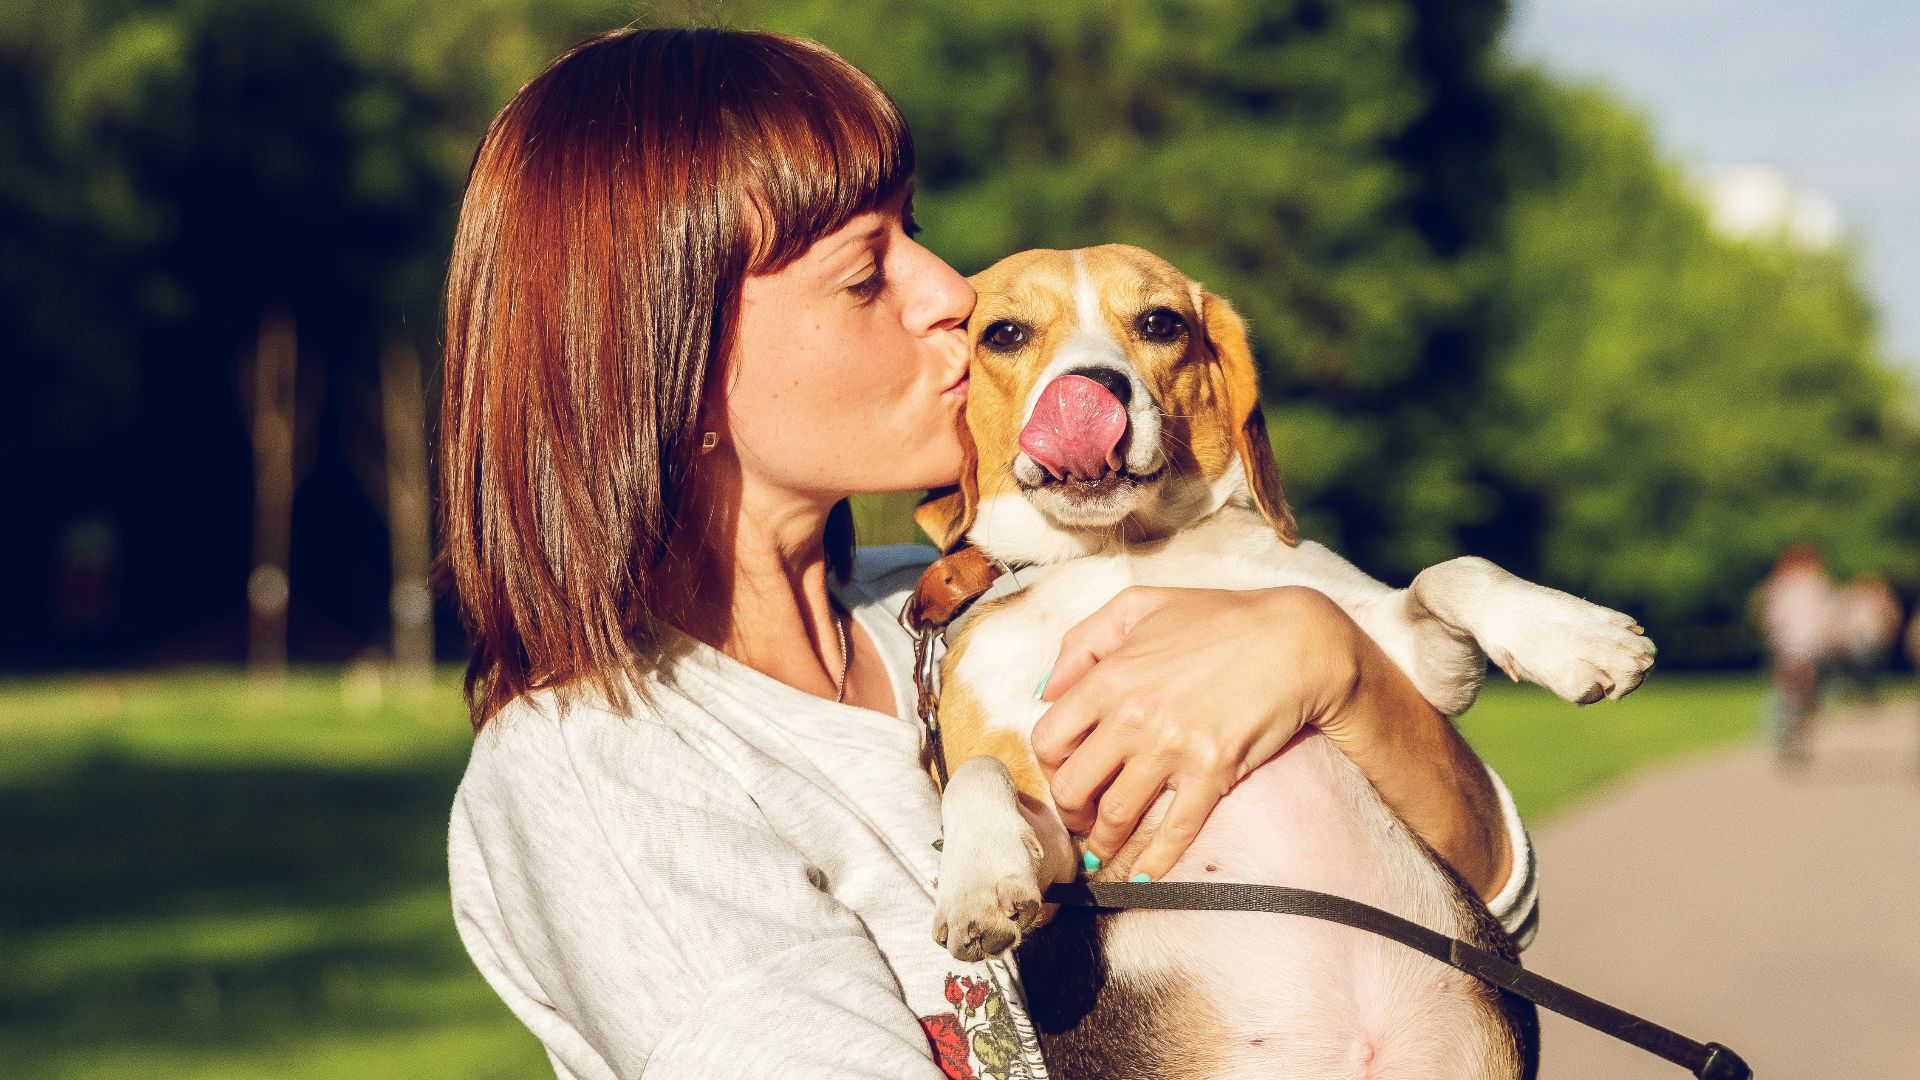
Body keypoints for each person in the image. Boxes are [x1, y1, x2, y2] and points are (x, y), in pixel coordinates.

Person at [438, 27, 1538, 1080]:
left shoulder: (971, 603)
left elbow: (1492, 906)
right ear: (670, 364)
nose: (951, 293)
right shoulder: (600, 771)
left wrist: (1332, 665)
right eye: (869, 271)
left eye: (915, 229)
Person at [1755, 544, 1837, 767]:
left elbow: (1770, 618)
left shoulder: (1783, 586)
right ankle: (1788, 733)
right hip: (1800, 647)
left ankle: (1787, 733)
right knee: (1798, 695)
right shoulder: (1812, 585)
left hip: (1794, 647)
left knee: (1792, 694)